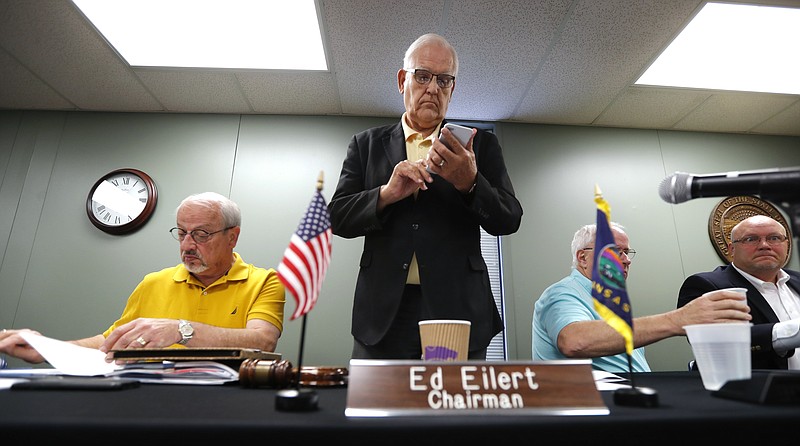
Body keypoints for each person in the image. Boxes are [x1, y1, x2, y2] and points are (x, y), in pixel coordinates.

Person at [328, 33, 523, 360]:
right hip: (384, 312)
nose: (433, 88)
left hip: (459, 309)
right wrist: (387, 194)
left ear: (452, 88)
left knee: (454, 408)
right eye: (422, 76)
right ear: (403, 80)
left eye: (444, 79)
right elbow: (337, 218)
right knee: (380, 407)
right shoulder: (366, 145)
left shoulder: (480, 146)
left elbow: (509, 219)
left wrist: (470, 182)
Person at [0, 192, 285, 364]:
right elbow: (111, 342)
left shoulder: (264, 281)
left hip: (229, 404)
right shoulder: (153, 282)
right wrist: (47, 350)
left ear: (232, 237)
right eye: (182, 232)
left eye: (201, 234)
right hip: (152, 402)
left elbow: (262, 341)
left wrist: (181, 330)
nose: (186, 245)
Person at [533, 222, 751, 373]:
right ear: (583, 257)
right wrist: (678, 320)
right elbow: (575, 341)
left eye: (627, 252)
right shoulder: (562, 293)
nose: (626, 260)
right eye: (615, 251)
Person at [678, 214, 800, 370]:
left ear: (786, 245)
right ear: (732, 249)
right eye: (751, 239)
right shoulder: (706, 285)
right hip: (759, 390)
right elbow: (713, 341)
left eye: (774, 238)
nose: (764, 245)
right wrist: (790, 332)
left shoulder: (797, 280)